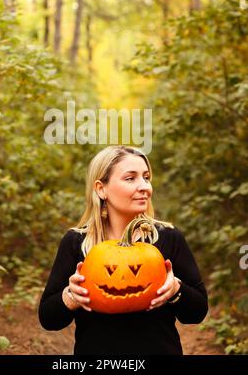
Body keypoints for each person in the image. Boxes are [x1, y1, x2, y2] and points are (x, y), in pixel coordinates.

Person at [38, 145, 208, 355]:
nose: (144, 186)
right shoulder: (76, 242)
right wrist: (71, 296)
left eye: (146, 177)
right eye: (131, 178)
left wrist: (175, 290)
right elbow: (48, 318)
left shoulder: (168, 237)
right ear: (101, 189)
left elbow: (197, 313)